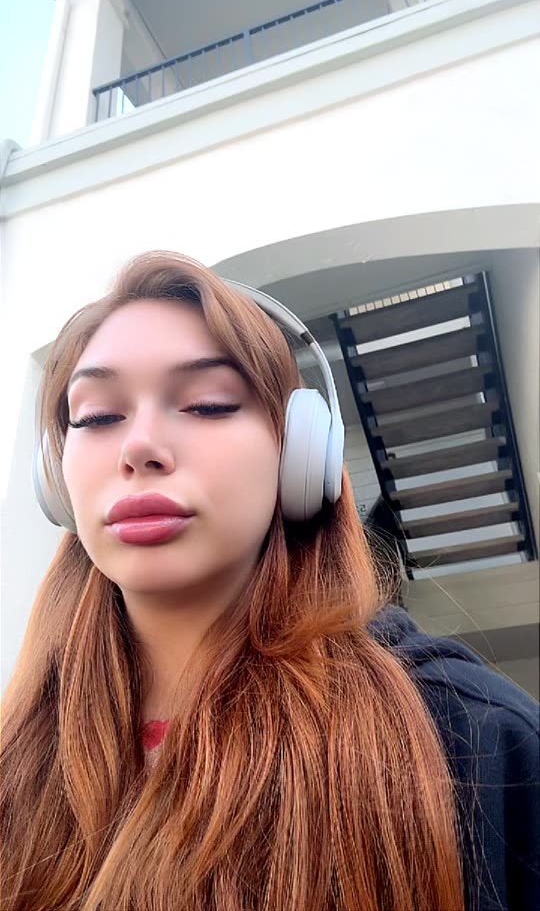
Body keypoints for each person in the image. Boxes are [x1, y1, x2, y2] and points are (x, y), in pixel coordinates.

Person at [1, 250, 538, 911]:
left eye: (207, 404)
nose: (138, 447)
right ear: (56, 482)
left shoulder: (473, 740)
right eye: (97, 417)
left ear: (300, 452)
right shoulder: (16, 758)